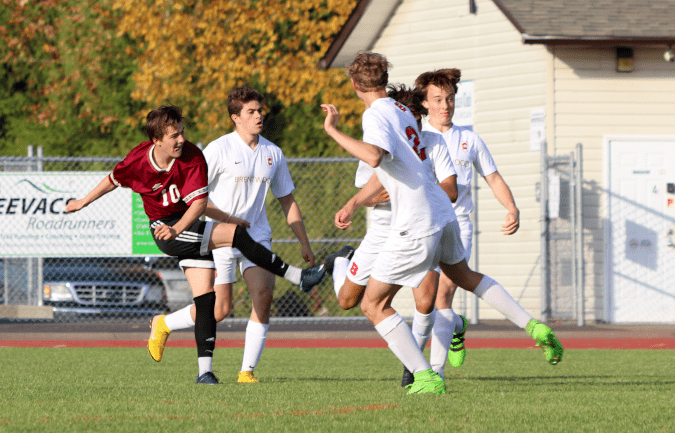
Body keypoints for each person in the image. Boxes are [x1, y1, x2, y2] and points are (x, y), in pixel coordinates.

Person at [322, 53, 563, 394]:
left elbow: (375, 157)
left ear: (354, 85)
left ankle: (424, 376)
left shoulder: (376, 113)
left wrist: (332, 129)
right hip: (444, 214)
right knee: (462, 277)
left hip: (415, 220)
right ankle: (534, 326)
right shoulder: (403, 111)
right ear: (386, 79)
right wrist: (356, 201)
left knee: (372, 304)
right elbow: (395, 166)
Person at [65, 105, 326, 385]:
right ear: (157, 141)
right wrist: (82, 202)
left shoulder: (192, 157)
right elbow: (113, 180)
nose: (181, 140)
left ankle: (204, 372)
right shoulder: (138, 161)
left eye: (182, 133)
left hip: (184, 226)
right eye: (174, 136)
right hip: (166, 230)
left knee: (206, 300)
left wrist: (196, 224)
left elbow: (199, 204)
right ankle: (297, 276)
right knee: (235, 235)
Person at [154, 87, 316, 384]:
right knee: (220, 309)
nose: (258, 116)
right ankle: (164, 323)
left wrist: (304, 242)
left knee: (264, 295)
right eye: (251, 112)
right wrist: (227, 220)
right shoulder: (218, 150)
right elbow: (198, 198)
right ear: (235, 118)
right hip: (222, 237)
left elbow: (287, 200)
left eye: (259, 110)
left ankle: (246, 371)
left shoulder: (273, 153)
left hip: (258, 236)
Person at [412, 69, 562, 380]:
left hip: (458, 223)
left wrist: (511, 208)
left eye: (450, 99)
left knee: (444, 291)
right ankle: (456, 327)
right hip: (423, 227)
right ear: (425, 104)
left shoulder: (470, 139)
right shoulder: (418, 141)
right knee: (429, 296)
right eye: (438, 100)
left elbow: (492, 177)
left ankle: (434, 374)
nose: (445, 105)